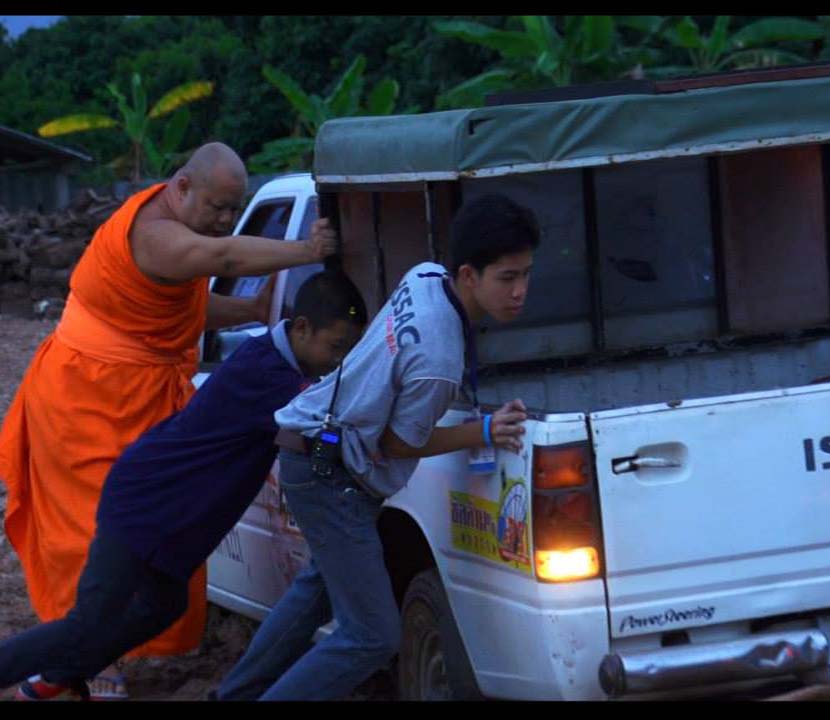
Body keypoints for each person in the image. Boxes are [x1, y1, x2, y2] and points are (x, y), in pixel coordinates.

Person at [0, 142, 338, 699]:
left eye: (235, 210)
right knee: (82, 535)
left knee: (157, 592)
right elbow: (223, 260)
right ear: (180, 188)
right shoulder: (155, 233)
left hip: (144, 396)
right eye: (218, 208)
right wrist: (305, 249)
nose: (226, 221)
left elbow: (179, 307)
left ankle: (62, 670)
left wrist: (253, 311)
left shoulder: (181, 248)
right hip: (85, 391)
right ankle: (81, 663)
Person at [216, 193, 541, 701]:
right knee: (372, 635)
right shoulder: (439, 359)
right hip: (325, 459)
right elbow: (394, 444)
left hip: (314, 441)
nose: (520, 291)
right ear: (469, 275)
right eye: (507, 277)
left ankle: (233, 696)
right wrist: (483, 431)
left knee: (318, 588)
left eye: (525, 274)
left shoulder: (426, 277)